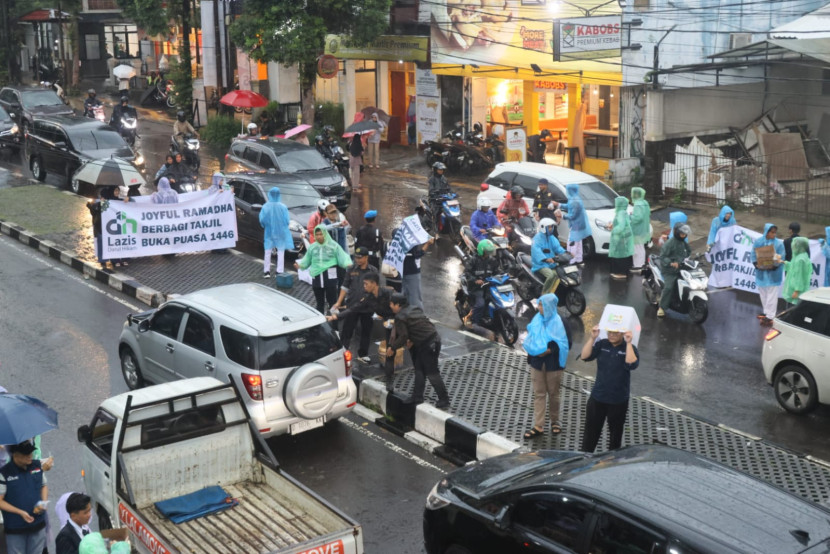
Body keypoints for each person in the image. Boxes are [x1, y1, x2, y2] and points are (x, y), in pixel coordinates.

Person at [579, 324, 639, 452]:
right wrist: (592, 338)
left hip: (618, 400)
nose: (611, 335)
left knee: (615, 437)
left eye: (616, 333)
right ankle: (584, 460)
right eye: (609, 332)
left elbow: (632, 364)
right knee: (590, 434)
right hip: (598, 398)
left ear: (623, 333)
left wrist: (628, 343)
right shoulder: (602, 344)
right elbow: (584, 356)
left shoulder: (630, 348)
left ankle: (612, 462)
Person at [388, 293, 451, 409]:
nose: (390, 306)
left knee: (432, 373)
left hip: (428, 345)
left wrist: (392, 348)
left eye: (392, 304)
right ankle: (417, 397)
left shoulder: (400, 317)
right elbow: (418, 326)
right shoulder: (414, 308)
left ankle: (444, 400)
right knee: (419, 369)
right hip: (433, 340)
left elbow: (403, 336)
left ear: (398, 305)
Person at [522, 294, 571, 439]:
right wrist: (535, 350)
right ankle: (539, 425)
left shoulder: (561, 322)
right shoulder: (537, 319)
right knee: (539, 394)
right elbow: (531, 337)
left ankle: (555, 421)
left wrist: (550, 350)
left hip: (553, 364)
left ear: (550, 306)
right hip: (537, 363)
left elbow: (566, 342)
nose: (539, 307)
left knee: (554, 394)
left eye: (542, 305)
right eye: (539, 304)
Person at [328, 265, 387, 364]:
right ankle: (342, 353)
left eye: (366, 284)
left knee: (366, 332)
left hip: (367, 309)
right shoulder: (351, 269)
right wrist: (339, 302)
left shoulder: (373, 270)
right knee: (347, 332)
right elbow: (345, 286)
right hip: (353, 305)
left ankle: (363, 354)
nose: (358, 260)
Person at [0, 440, 49, 554]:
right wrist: (20, 512)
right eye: (26, 455)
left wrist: (44, 502)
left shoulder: (36, 466)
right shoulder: (4, 473)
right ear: (16, 455)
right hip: (15, 528)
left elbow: (43, 486)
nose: (30, 457)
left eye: (31, 453)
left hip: (38, 524)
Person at [295, 225, 353, 314]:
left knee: (332, 303)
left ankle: (334, 325)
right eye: (317, 234)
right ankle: (320, 324)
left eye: (321, 234)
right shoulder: (313, 247)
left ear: (325, 234)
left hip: (330, 279)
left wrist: (347, 263)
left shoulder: (334, 246)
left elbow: (342, 257)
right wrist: (301, 265)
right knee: (319, 304)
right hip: (317, 279)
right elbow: (307, 260)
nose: (318, 236)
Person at [751, 223, 785, 326]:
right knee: (763, 293)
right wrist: (755, 264)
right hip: (761, 273)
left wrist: (774, 266)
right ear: (767, 231)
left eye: (775, 232)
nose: (774, 234)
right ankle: (766, 312)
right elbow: (753, 253)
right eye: (772, 232)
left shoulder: (779, 244)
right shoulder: (758, 241)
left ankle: (770, 315)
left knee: (772, 295)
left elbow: (781, 256)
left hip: (773, 273)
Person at [463, 239, 500, 328]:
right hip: (476, 287)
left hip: (488, 286)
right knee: (481, 304)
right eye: (487, 252)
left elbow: (497, 272)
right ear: (481, 251)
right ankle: (474, 321)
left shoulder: (492, 260)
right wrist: (475, 280)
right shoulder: (474, 260)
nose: (489, 254)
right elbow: (467, 273)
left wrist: (501, 276)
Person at [658, 223, 691, 318]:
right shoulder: (669, 244)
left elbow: (688, 251)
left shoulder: (683, 242)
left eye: (685, 234)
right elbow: (663, 256)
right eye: (682, 234)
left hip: (681, 267)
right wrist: (671, 263)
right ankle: (662, 307)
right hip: (669, 270)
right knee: (668, 287)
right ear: (677, 233)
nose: (684, 236)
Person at [260, 187, 293, 278]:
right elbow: (287, 221)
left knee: (267, 251)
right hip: (280, 232)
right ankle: (279, 271)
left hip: (269, 232)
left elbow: (262, 219)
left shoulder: (266, 206)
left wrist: (265, 226)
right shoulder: (283, 207)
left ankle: (267, 272)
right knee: (281, 251)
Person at [556, 183, 592, 264]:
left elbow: (572, 216)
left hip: (576, 225)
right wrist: (559, 205)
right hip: (580, 224)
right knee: (578, 243)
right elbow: (569, 206)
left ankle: (571, 260)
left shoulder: (574, 201)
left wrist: (562, 216)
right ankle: (579, 259)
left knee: (572, 243)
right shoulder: (576, 198)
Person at [531, 217, 567, 295]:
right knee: (551, 275)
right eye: (549, 227)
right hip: (540, 264)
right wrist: (545, 259)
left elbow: (557, 247)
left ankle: (552, 291)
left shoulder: (551, 237)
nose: (551, 228)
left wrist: (566, 253)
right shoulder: (537, 239)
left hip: (551, 262)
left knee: (559, 273)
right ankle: (544, 293)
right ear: (543, 228)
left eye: (552, 227)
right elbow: (536, 251)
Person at [401, 232, 435, 310]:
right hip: (412, 272)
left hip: (402, 271)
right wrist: (427, 244)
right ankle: (418, 317)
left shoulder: (401, 239)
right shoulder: (412, 241)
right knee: (415, 297)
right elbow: (417, 255)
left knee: (404, 295)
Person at [607, 196, 635, 279]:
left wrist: (613, 229)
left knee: (619, 255)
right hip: (624, 237)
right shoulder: (623, 212)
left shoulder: (620, 213)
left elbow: (621, 226)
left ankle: (620, 273)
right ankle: (624, 271)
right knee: (623, 254)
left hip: (621, 237)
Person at [87, 187, 113, 269]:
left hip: (107, 227)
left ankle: (105, 259)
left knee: (105, 243)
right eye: (102, 197)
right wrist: (90, 205)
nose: (102, 199)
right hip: (99, 226)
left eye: (104, 197)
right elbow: (93, 213)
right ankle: (102, 260)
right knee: (101, 243)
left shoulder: (109, 205)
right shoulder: (97, 205)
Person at [782, 237, 812, 305]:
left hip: (796, 292)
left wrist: (796, 290)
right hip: (795, 290)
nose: (793, 247)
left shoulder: (800, 259)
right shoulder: (801, 256)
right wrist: (784, 262)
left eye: (794, 245)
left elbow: (799, 276)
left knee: (793, 311)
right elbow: (793, 267)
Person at [630, 187, 651, 271]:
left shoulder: (638, 204)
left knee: (637, 248)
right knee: (641, 247)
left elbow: (637, 218)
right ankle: (641, 264)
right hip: (644, 229)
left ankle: (638, 266)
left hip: (637, 230)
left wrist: (630, 216)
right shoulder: (644, 202)